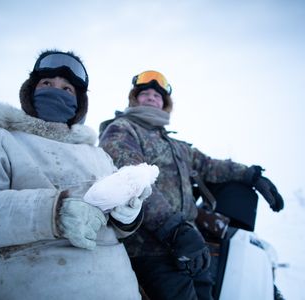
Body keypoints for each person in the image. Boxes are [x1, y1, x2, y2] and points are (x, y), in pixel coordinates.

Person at [0, 50, 149, 300]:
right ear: (30, 92)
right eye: (47, 84)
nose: (56, 91)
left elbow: (116, 230)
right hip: (32, 283)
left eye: (67, 90)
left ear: (79, 104)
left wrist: (126, 218)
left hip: (118, 287)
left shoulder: (96, 155)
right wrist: (53, 212)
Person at [98, 70, 285, 300]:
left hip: (191, 246)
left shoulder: (176, 145)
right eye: (145, 93)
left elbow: (210, 166)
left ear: (165, 104)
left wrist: (251, 175)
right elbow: (130, 180)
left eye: (157, 96)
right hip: (149, 249)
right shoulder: (122, 130)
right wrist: (173, 229)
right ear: (134, 99)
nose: (151, 98)